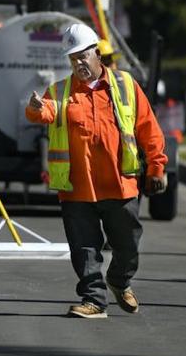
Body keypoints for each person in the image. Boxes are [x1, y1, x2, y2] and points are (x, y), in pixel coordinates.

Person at [25, 23, 168, 318]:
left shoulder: (125, 86)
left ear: (97, 54)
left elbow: (148, 128)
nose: (78, 63)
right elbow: (46, 111)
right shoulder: (60, 90)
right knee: (84, 249)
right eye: (72, 58)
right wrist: (36, 109)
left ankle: (119, 280)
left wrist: (157, 166)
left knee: (127, 246)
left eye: (82, 56)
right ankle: (93, 300)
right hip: (77, 189)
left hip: (120, 184)